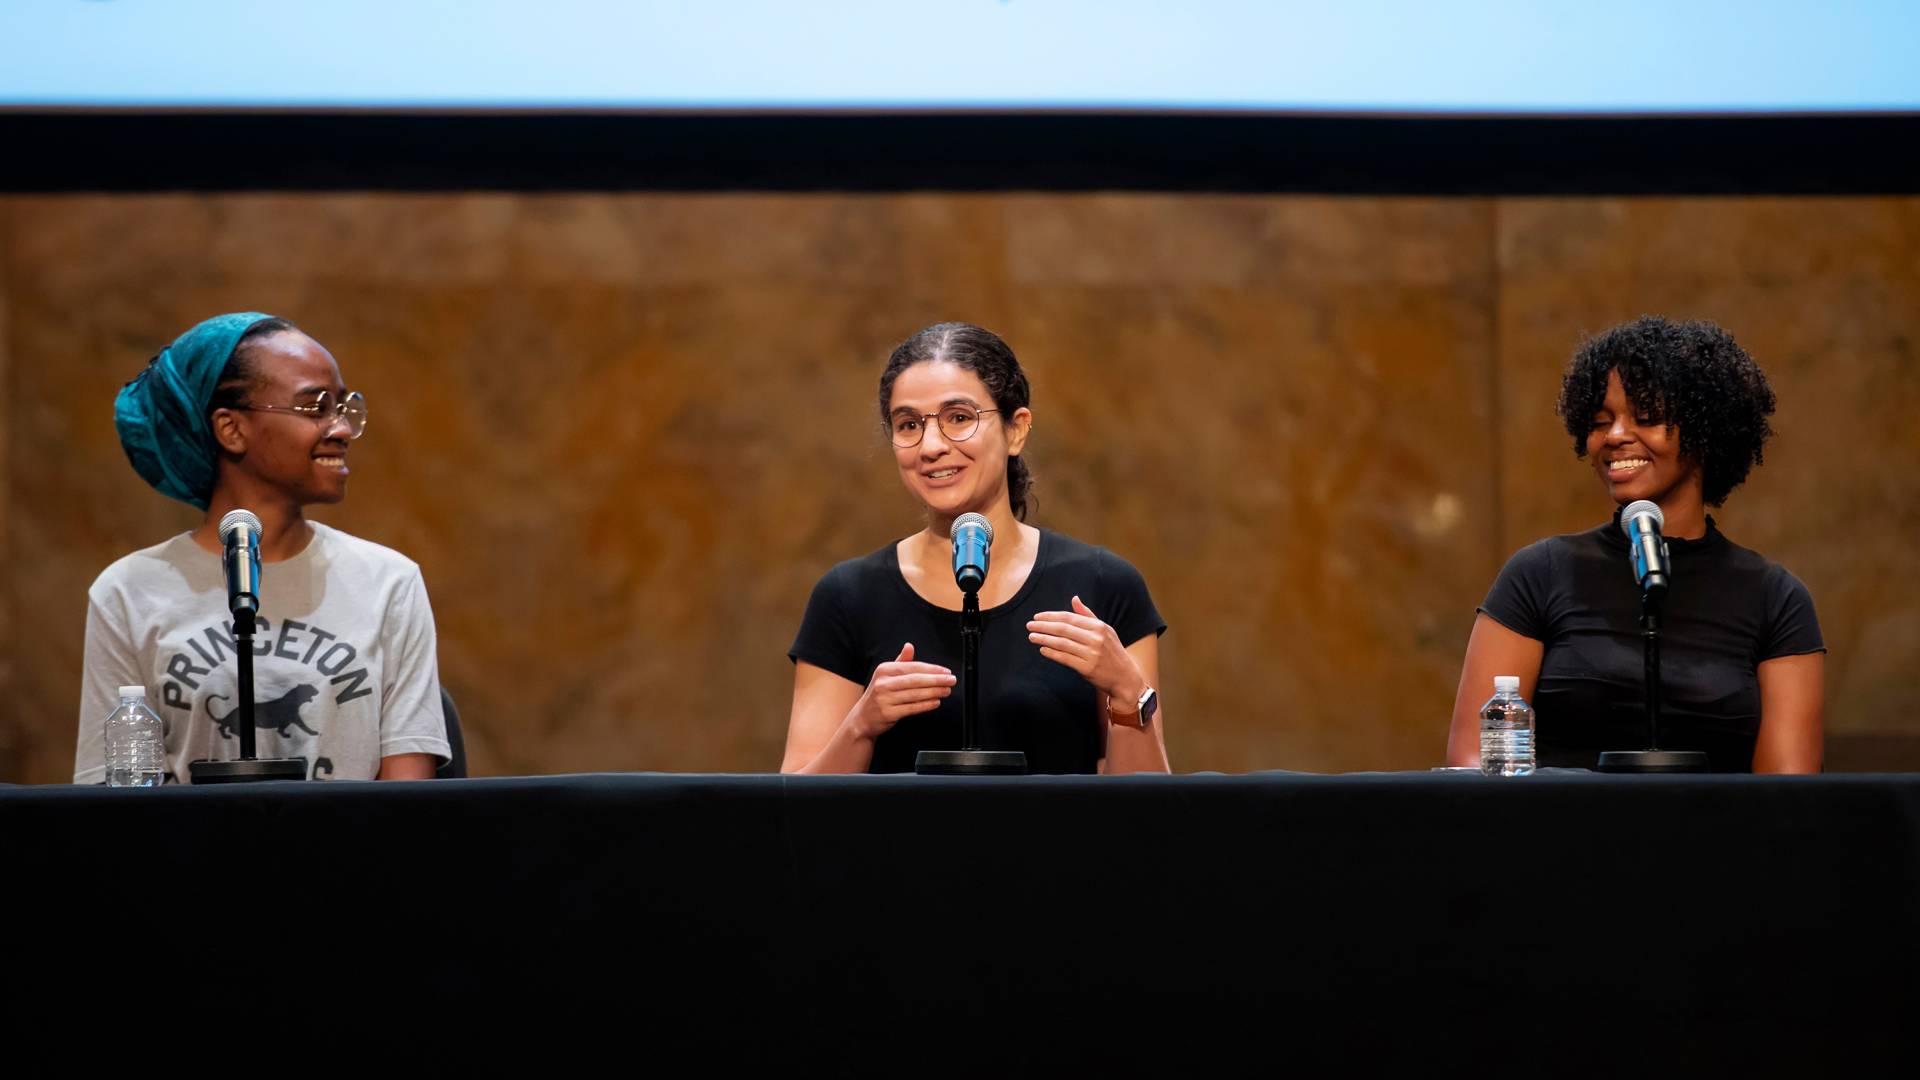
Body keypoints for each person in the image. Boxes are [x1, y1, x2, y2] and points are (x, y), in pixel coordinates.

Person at [74, 312, 450, 783]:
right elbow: (113, 793)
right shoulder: (128, 592)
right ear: (231, 429)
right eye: (315, 407)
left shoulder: (389, 581)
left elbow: (408, 802)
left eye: (343, 407)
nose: (341, 429)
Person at [783, 322, 1170, 774]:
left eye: (959, 419)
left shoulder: (1104, 585)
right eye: (908, 425)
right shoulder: (849, 596)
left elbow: (1144, 817)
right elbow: (796, 810)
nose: (930, 447)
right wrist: (860, 726)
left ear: (1016, 430)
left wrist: (1128, 693)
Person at [1446, 316, 1823, 772]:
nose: (1616, 436)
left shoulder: (1774, 599)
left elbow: (1788, 794)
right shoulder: (1540, 573)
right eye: (1600, 421)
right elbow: (1473, 765)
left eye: (1647, 418)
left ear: (1707, 431)